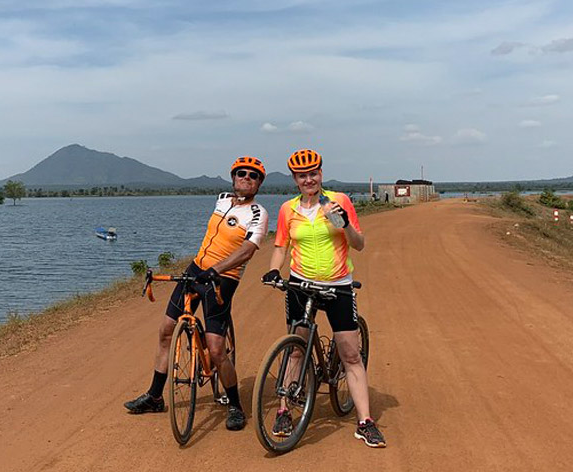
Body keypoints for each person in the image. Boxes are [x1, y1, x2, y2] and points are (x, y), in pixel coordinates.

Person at [124, 156, 269, 431]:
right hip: (196, 269)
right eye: (241, 174)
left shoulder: (258, 213)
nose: (246, 178)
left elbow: (247, 250)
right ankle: (155, 397)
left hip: (222, 278)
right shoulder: (222, 199)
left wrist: (216, 270)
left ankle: (236, 405)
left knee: (216, 348)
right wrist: (203, 268)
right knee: (166, 330)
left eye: (253, 176)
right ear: (233, 177)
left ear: (259, 183)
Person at [263, 148, 387, 448]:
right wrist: (272, 271)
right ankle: (284, 411)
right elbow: (281, 245)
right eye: (302, 175)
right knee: (295, 349)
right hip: (300, 285)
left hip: (338, 285)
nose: (309, 179)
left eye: (313, 173)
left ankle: (365, 422)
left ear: (321, 173)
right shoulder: (287, 210)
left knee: (351, 354)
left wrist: (342, 224)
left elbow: (359, 244)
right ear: (294, 179)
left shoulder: (339, 202)